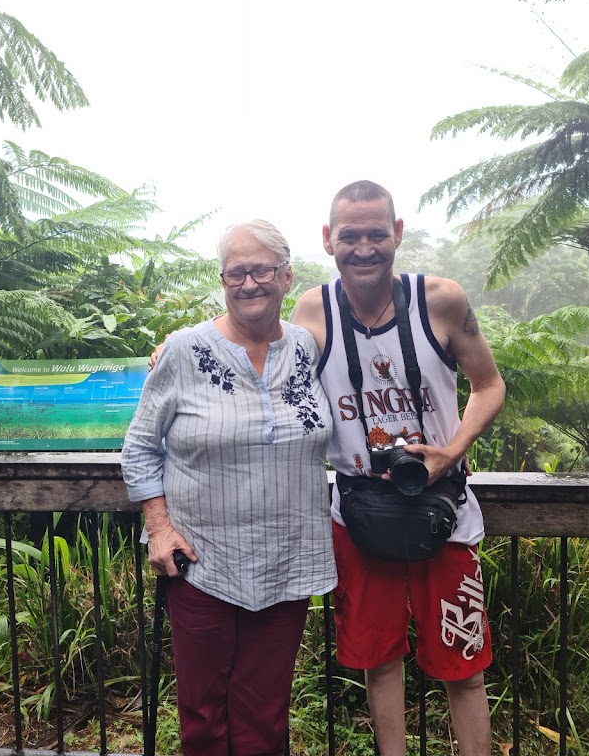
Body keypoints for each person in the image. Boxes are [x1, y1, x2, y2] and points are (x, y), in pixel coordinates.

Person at [290, 180, 506, 756]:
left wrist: (450, 450)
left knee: (463, 663)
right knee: (379, 660)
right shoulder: (313, 309)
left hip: (444, 508)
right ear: (329, 239)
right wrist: (179, 346)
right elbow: (259, 353)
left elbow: (488, 385)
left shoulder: (441, 300)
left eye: (377, 234)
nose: (365, 248)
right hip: (357, 508)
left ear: (398, 234)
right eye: (351, 236)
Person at [121, 219, 336, 756]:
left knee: (266, 713)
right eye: (236, 272)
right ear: (222, 280)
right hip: (201, 562)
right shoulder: (185, 351)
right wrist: (160, 528)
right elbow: (141, 447)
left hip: (287, 561)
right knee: (202, 714)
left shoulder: (308, 350)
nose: (248, 283)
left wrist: (446, 441)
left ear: (286, 277)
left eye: (260, 270)